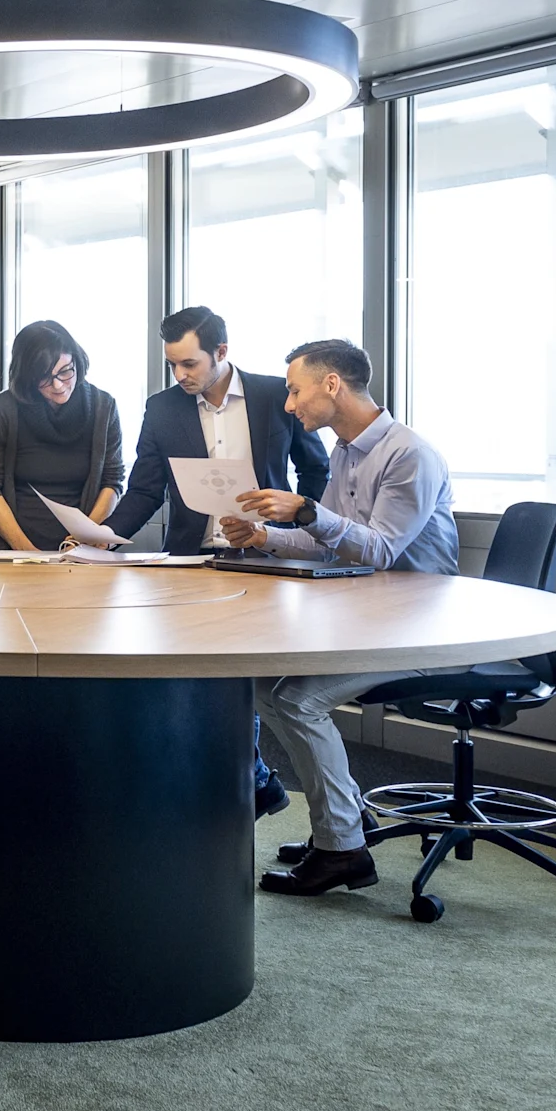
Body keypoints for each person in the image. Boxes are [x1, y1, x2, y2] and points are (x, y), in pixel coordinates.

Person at [220, 339, 460, 898]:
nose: (288, 405)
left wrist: (307, 510)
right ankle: (344, 819)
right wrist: (265, 536)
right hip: (372, 620)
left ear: (332, 385)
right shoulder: (346, 452)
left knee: (297, 698)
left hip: (422, 630)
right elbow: (327, 543)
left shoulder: (410, 455)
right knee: (261, 684)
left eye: (294, 390)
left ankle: (342, 850)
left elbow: (377, 550)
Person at [103, 306, 331, 819]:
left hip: (267, 560)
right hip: (193, 562)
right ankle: (251, 785)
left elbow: (317, 472)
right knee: (196, 682)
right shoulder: (162, 409)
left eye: (189, 364)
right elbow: (144, 489)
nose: (180, 375)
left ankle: (247, 787)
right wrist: (104, 539)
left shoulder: (277, 396)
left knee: (242, 680)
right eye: (173, 366)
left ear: (221, 353)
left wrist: (292, 533)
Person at [0, 321, 124, 552]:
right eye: (44, 377)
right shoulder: (2, 409)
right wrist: (26, 551)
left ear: (77, 361)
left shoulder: (103, 407)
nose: (58, 385)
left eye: (65, 371)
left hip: (80, 551)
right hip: (10, 549)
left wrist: (83, 538)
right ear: (26, 376)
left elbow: (112, 481)